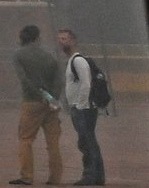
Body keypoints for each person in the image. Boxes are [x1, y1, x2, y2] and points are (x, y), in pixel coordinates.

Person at [11, 22, 66, 183]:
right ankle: (55, 177)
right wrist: (53, 98)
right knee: (53, 142)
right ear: (37, 38)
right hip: (51, 105)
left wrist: (41, 94)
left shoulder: (19, 54)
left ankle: (27, 176)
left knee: (26, 140)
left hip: (32, 102)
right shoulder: (49, 55)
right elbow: (59, 80)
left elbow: (24, 79)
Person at [57, 28, 105, 183]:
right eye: (60, 39)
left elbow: (86, 83)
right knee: (89, 140)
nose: (61, 42)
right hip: (81, 107)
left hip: (83, 108)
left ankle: (90, 176)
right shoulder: (72, 60)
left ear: (73, 40)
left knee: (86, 142)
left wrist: (80, 104)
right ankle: (97, 176)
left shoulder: (78, 60)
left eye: (65, 39)